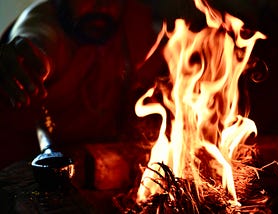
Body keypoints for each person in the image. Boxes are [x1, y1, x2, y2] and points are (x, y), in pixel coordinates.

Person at [0, 0, 166, 169]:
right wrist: (27, 57)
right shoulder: (44, 23)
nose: (102, 5)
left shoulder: (131, 23)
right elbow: (37, 37)